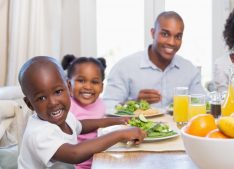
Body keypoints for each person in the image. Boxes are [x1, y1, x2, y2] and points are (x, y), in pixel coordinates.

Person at [18, 56, 146, 169]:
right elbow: (74, 154)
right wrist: (120, 134)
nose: (53, 103)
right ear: (30, 104)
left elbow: (81, 126)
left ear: (68, 88)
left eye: (57, 92)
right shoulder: (39, 133)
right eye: (41, 98)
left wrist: (116, 120)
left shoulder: (64, 117)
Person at [103, 11, 206, 110]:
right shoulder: (125, 67)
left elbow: (203, 104)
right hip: (137, 127)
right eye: (165, 34)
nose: (172, 42)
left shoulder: (190, 70)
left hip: (179, 127)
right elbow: (108, 107)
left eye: (178, 36)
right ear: (153, 33)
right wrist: (135, 103)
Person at [61, 55, 107, 169]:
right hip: (74, 165)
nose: (88, 86)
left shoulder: (102, 104)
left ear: (101, 87)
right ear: (68, 84)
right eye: (81, 80)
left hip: (100, 161)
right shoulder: (66, 107)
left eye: (94, 82)